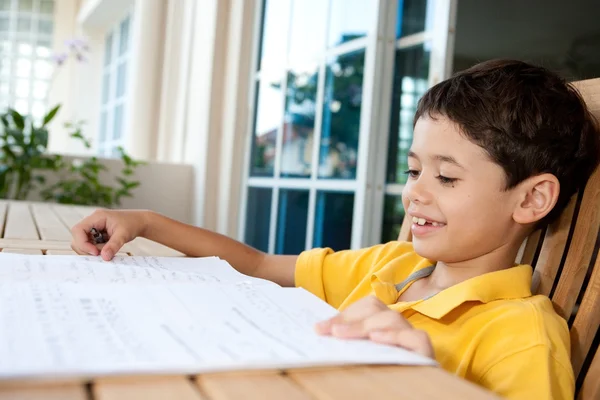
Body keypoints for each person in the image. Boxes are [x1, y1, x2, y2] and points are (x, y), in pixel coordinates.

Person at [71, 60, 600, 399]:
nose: (414, 192)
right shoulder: (393, 268)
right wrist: (145, 222)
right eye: (413, 170)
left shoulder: (523, 338)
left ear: (531, 198)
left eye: (446, 177)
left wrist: (424, 384)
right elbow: (256, 264)